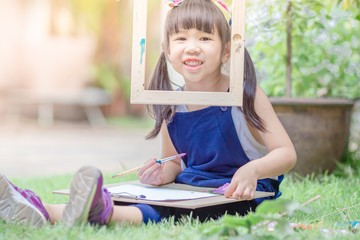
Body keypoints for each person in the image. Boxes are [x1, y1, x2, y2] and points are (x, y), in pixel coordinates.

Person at [0, 0, 296, 227]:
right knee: (144, 197)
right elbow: (175, 162)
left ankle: (98, 213)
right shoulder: (171, 103)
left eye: (205, 38)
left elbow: (286, 153)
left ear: (227, 51)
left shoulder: (246, 95)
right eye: (181, 39)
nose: (192, 47)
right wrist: (160, 173)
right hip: (192, 189)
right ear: (168, 50)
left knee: (174, 211)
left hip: (242, 195)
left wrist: (253, 170)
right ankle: (38, 208)